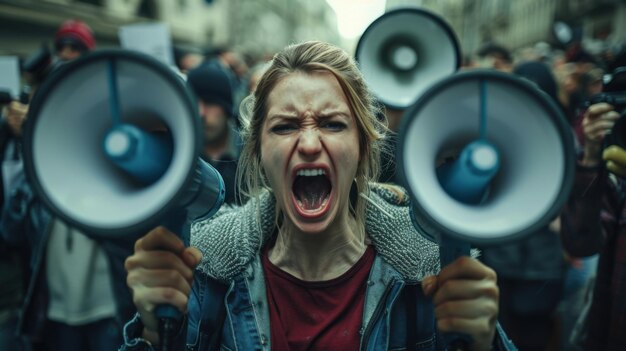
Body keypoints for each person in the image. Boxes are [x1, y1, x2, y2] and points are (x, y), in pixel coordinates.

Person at [120, 41, 516, 351]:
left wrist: (482, 343)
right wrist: (156, 335)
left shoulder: (429, 278)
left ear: (363, 145)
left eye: (331, 123)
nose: (309, 143)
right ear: (257, 151)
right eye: (285, 126)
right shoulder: (205, 276)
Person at [1, 19, 136, 351]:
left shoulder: (112, 129)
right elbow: (11, 229)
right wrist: (29, 145)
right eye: (62, 48)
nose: (68, 54)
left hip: (108, 307)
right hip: (54, 310)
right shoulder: (37, 148)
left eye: (76, 50)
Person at [186, 63, 242, 205]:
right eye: (194, 102)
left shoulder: (251, 152)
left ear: (227, 108)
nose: (201, 113)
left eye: (210, 102)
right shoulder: (182, 152)